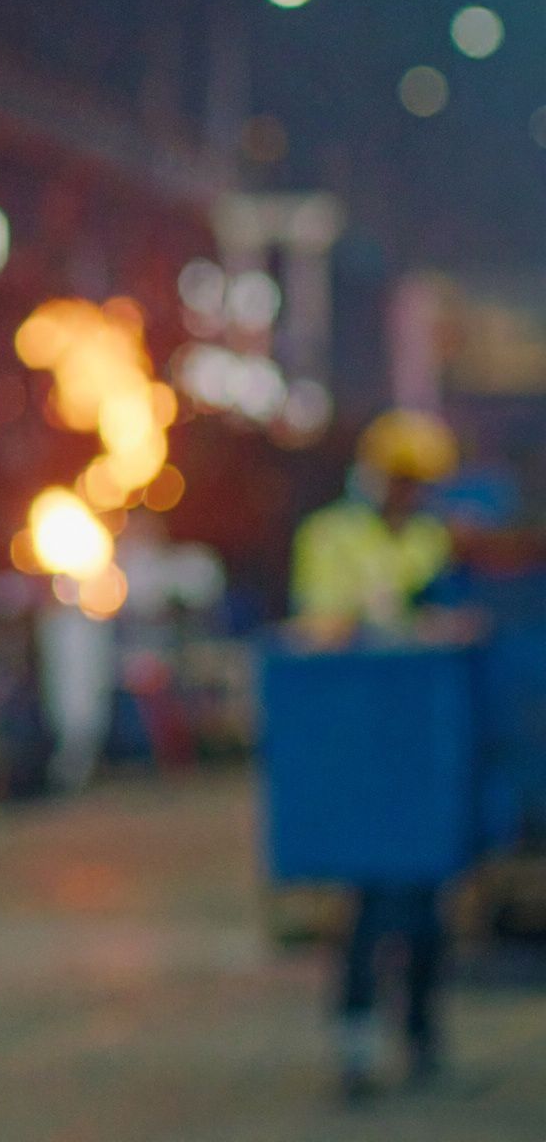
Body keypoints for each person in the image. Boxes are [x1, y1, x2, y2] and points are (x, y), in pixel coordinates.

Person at [289, 408, 460, 1097]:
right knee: (369, 901)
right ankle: (357, 1048)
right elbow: (320, 626)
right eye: (402, 481)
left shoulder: (432, 539)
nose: (408, 495)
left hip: (419, 746)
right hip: (358, 747)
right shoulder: (330, 537)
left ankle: (421, 1038)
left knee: (426, 900)